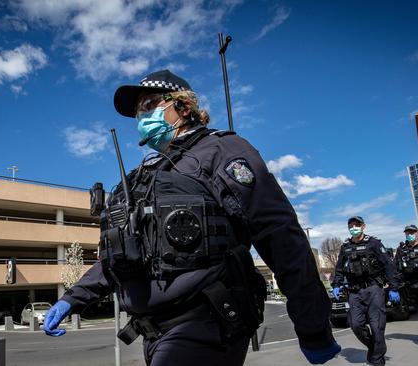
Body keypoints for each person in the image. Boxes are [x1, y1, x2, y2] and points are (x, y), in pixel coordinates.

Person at [42, 70, 341, 365]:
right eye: (138, 113)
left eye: (149, 106)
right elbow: (121, 256)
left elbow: (279, 235)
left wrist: (313, 327)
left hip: (206, 324)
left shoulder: (222, 151)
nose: (142, 118)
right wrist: (72, 298)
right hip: (153, 335)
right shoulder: (143, 177)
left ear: (183, 107)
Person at [331, 216, 399, 366]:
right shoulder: (346, 246)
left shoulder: (373, 243)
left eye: (357, 225)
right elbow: (340, 269)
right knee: (356, 325)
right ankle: (374, 347)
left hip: (373, 289)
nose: (353, 227)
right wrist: (336, 284)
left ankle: (377, 359)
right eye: (351, 225)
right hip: (354, 292)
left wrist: (394, 287)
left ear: (363, 226)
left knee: (377, 326)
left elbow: (388, 265)